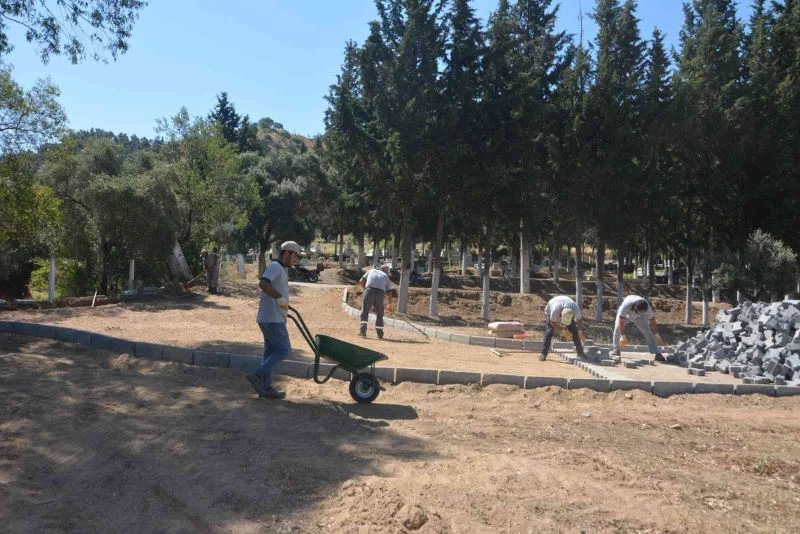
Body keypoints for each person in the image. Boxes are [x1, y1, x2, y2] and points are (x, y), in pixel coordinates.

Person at [246, 240, 301, 399]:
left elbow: (277, 291)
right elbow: (263, 283)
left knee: (270, 352)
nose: (296, 259)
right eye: (295, 256)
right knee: (284, 350)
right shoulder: (276, 267)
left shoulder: (282, 269)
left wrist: (283, 304)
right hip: (272, 318)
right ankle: (257, 375)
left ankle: (267, 387)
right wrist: (279, 298)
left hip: (272, 317)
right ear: (288, 253)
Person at [613, 294, 666, 362]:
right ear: (635, 307)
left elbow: (652, 320)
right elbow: (621, 320)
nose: (639, 312)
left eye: (642, 312)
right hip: (626, 314)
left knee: (648, 332)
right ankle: (615, 351)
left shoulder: (647, 308)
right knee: (617, 328)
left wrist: (656, 334)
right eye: (639, 311)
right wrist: (623, 336)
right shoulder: (626, 305)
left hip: (640, 317)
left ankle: (657, 353)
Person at [540, 295, 586, 361]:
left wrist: (580, 332)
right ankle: (543, 354)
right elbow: (552, 322)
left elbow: (579, 320)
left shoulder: (575, 309)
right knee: (549, 331)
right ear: (561, 314)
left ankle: (580, 353)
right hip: (551, 306)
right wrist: (563, 331)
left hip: (565, 305)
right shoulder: (555, 311)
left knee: (575, 332)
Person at [358, 265, 394, 339]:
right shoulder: (385, 276)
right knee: (379, 314)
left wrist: (366, 290)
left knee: (365, 311)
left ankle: (362, 332)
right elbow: (390, 292)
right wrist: (390, 303)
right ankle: (380, 335)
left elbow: (361, 281)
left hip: (369, 291)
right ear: (386, 272)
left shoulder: (371, 271)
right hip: (380, 294)